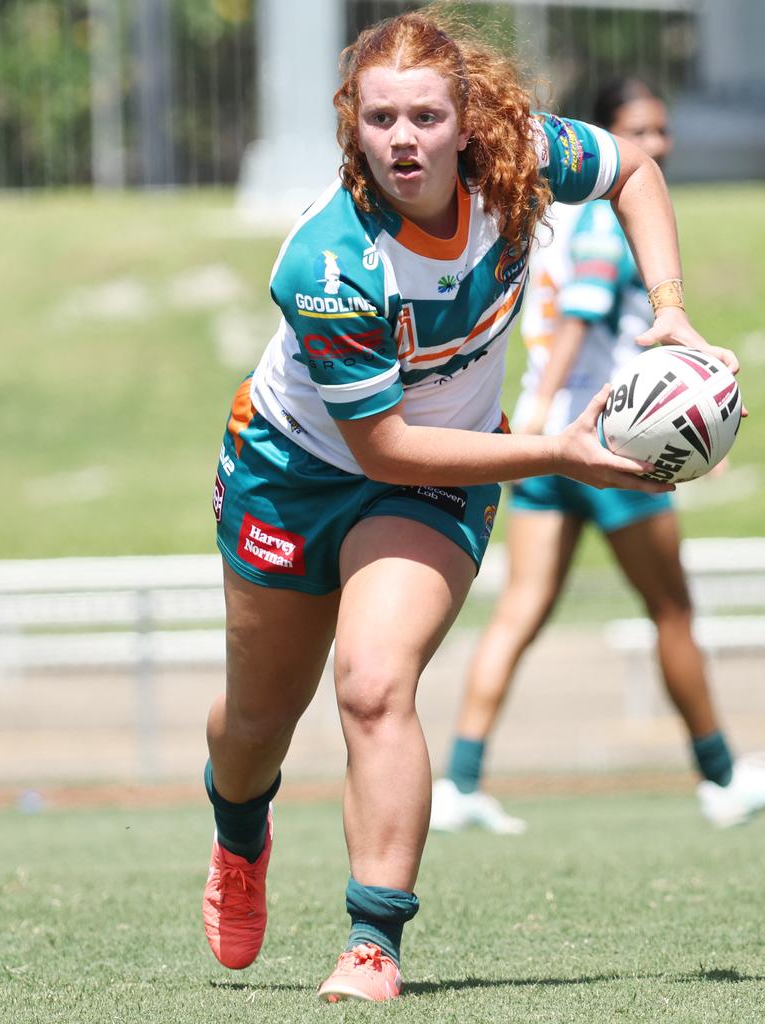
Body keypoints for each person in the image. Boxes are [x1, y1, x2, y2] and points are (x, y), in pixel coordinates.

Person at [202, 11, 738, 1002]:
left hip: (440, 472)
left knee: (372, 679)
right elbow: (381, 444)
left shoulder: (522, 158)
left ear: (466, 118)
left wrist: (669, 307)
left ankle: (373, 940)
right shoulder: (328, 260)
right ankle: (240, 832)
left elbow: (633, 172)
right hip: (293, 466)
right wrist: (560, 451)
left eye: (425, 115)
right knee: (254, 724)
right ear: (351, 125)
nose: (403, 137)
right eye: (380, 118)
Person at [431, 76, 764, 838]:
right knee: (672, 609)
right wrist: (574, 414)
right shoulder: (609, 225)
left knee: (521, 610)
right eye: (638, 133)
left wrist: (538, 433)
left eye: (662, 131)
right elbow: (583, 324)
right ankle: (718, 777)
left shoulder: (552, 213)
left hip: (554, 444)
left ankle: (462, 778)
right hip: (615, 443)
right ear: (608, 133)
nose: (655, 147)